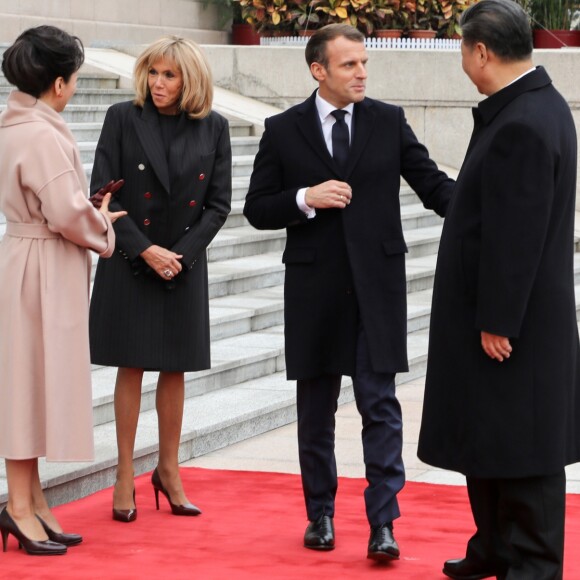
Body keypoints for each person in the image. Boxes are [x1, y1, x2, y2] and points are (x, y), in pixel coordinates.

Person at [243, 23, 453, 561]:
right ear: (319, 70)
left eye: (364, 63)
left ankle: (384, 524)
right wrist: (304, 197)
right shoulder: (283, 129)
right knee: (316, 409)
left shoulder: (388, 121)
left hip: (377, 288)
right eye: (349, 64)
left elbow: (433, 186)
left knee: (379, 406)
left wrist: (489, 214)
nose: (362, 72)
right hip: (313, 288)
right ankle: (320, 516)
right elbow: (257, 208)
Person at [417, 1, 580, 578]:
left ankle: (531, 562)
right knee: (488, 436)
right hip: (502, 316)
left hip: (515, 324)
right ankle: (495, 545)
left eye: (463, 47)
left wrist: (498, 319)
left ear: (481, 51)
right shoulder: (526, 107)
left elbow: (518, 234)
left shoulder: (524, 122)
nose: (462, 57)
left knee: (525, 445)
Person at [88, 36, 232, 522]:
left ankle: (168, 470)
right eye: (153, 72)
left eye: (169, 74)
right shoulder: (122, 118)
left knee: (175, 367)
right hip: (131, 256)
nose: (158, 82)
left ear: (189, 78)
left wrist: (181, 256)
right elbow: (101, 193)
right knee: (131, 366)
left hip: (182, 262)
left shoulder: (214, 127)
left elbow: (217, 205)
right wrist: (145, 250)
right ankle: (124, 473)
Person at [0, 26, 124, 556]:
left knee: (26, 383)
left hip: (23, 257)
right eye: (73, 79)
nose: (73, 88)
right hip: (42, 265)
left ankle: (30, 500)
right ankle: (21, 506)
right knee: (26, 385)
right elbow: (66, 214)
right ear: (57, 83)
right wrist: (102, 226)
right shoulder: (43, 134)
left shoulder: (12, 125)